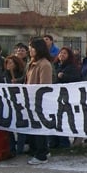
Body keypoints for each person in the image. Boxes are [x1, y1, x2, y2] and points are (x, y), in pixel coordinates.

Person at [25, 37, 53, 165]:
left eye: (32, 47)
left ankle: (41, 154)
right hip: (31, 100)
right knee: (35, 127)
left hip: (39, 101)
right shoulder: (32, 63)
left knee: (40, 128)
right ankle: (42, 150)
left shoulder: (44, 64)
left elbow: (45, 86)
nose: (29, 50)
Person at [51, 46, 82, 149]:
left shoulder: (72, 67)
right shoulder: (55, 66)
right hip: (56, 97)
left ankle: (64, 143)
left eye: (64, 53)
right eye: (60, 53)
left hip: (67, 98)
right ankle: (55, 142)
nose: (62, 55)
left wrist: (63, 76)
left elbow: (76, 79)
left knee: (63, 120)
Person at [3, 55, 27, 155]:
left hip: (21, 104)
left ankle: (20, 149)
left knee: (21, 127)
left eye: (11, 63)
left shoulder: (22, 74)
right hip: (9, 103)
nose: (8, 65)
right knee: (9, 127)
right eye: (7, 63)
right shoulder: (5, 75)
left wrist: (17, 82)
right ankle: (12, 148)